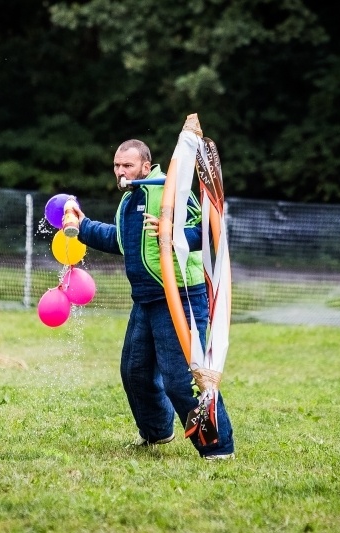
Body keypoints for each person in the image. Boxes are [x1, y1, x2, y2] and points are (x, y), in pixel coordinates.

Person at [71, 139, 235, 460]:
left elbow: (206, 231)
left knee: (180, 380)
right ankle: (158, 431)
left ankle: (217, 446)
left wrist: (171, 232)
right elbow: (120, 240)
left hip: (180, 299)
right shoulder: (129, 202)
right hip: (145, 300)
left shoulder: (171, 190)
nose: (120, 172)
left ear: (146, 166)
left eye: (127, 165)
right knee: (135, 372)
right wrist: (83, 226)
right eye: (117, 165)